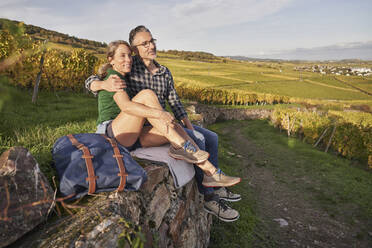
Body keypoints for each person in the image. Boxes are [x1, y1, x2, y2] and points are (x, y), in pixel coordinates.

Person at [85, 26, 242, 222]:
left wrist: (187, 126)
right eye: (145, 43)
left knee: (205, 135)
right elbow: (100, 82)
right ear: (135, 50)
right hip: (125, 126)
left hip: (144, 126)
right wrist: (99, 84)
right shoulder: (127, 69)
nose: (151, 45)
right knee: (193, 136)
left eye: (152, 41)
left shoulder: (162, 72)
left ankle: (213, 177)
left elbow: (175, 103)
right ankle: (209, 196)